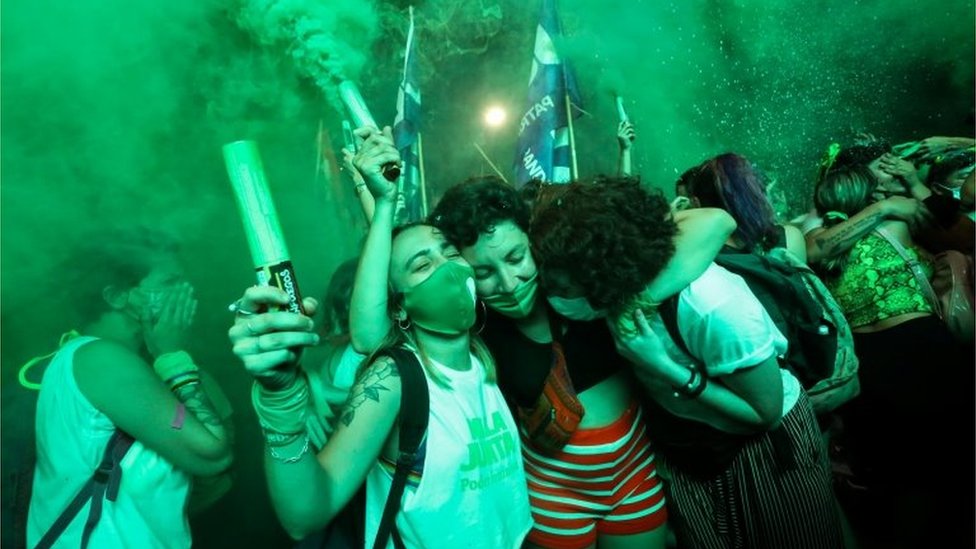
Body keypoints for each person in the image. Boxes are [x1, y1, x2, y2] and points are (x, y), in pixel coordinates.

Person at [229, 126, 532, 548]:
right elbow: (304, 514)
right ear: (401, 305)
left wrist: (383, 199)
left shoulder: (483, 354)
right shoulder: (393, 377)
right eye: (423, 267)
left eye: (448, 251)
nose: (447, 268)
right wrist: (281, 405)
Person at [419, 175, 735, 549]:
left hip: (633, 479)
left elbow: (717, 222)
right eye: (483, 273)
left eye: (516, 257)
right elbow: (373, 328)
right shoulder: (477, 326)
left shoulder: (587, 278)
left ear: (532, 238)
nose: (508, 282)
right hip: (555, 494)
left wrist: (630, 299)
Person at [530, 177, 846, 549]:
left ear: (601, 274)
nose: (553, 297)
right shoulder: (619, 296)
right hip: (692, 451)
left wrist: (664, 366)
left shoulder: (713, 306)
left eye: (564, 289)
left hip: (762, 451)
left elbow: (766, 412)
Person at [27, 228, 234, 548]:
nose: (187, 293)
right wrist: (172, 356)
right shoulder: (101, 359)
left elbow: (216, 475)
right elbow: (213, 454)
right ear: (116, 295)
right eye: (169, 283)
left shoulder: (122, 362)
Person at [813, 164, 974, 548]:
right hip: (921, 351)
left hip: (871, 363)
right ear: (866, 195)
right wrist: (896, 201)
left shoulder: (819, 235)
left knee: (895, 474)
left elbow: (816, 248)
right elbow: (965, 234)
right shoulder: (895, 219)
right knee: (945, 468)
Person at [677, 152, 807, 260]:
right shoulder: (790, 238)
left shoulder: (698, 258)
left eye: (687, 201)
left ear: (696, 203)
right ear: (755, 192)